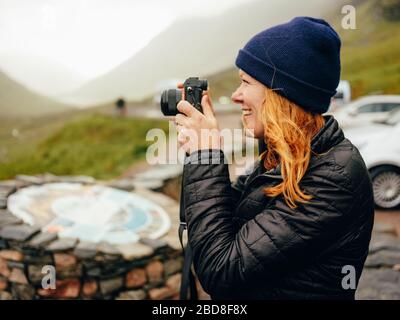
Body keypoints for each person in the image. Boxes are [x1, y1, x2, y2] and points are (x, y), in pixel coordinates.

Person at [173, 17, 374, 299]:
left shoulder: (334, 177)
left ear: (282, 92)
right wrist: (201, 152)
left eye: (245, 82)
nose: (235, 96)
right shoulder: (284, 157)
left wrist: (206, 157)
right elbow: (226, 218)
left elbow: (221, 270)